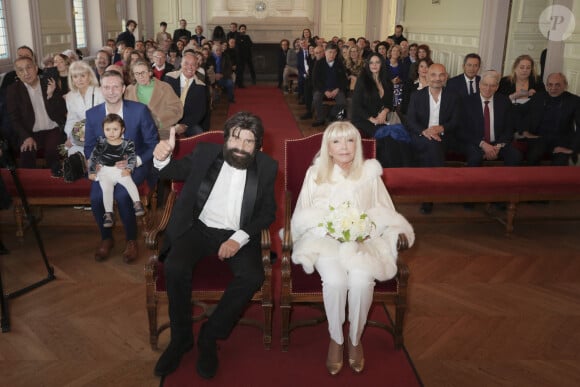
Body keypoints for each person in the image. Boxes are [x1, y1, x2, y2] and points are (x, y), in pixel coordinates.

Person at [152, 111, 278, 379]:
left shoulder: (267, 167)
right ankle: (181, 339)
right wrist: (161, 157)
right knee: (174, 266)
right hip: (198, 228)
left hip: (236, 233)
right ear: (225, 139)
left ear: (259, 146)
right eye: (235, 139)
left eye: (248, 141)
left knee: (253, 275)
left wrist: (239, 238)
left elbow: (267, 212)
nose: (241, 147)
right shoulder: (205, 153)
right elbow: (172, 171)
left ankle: (210, 336)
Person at [290, 121, 414, 375]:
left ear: (357, 145)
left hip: (364, 242)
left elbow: (384, 211)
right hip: (325, 241)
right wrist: (328, 230)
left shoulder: (369, 174)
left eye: (350, 140)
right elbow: (302, 214)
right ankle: (337, 338)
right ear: (328, 147)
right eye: (336, 141)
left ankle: (355, 339)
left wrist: (364, 230)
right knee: (335, 282)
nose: (344, 147)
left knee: (360, 282)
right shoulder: (315, 174)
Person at [84, 70, 158, 263]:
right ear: (101, 89)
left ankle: (131, 239)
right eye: (106, 87)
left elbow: (153, 144)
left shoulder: (139, 110)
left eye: (116, 86)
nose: (111, 91)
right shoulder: (92, 115)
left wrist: (134, 162)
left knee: (123, 195)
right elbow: (90, 146)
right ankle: (106, 238)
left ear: (124, 88)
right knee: (96, 197)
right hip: (106, 167)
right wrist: (95, 163)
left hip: (137, 162)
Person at [406, 63, 461, 214]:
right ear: (427, 76)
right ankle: (437, 186)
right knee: (432, 146)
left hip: (445, 137)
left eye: (441, 75)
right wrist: (425, 131)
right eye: (433, 75)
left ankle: (429, 195)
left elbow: (456, 121)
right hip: (421, 136)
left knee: (433, 146)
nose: (437, 78)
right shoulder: (417, 96)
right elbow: (410, 121)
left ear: (446, 77)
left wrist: (441, 128)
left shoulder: (453, 97)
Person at [6, 56, 67, 176]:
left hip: (52, 129)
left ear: (35, 68)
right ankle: (30, 187)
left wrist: (50, 95)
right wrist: (26, 137)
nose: (26, 73)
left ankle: (55, 181)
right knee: (26, 152)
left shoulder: (49, 83)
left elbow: (61, 112)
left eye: (29, 68)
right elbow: (14, 118)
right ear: (17, 74)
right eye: (21, 70)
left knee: (51, 151)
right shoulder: (13, 90)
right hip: (30, 131)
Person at [352, 53, 412, 168]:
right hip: (363, 119)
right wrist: (372, 119)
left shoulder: (386, 81)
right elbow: (356, 106)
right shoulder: (362, 81)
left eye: (377, 62)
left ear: (382, 64)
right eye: (371, 62)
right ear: (368, 65)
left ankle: (402, 170)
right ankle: (386, 169)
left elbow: (389, 103)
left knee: (399, 138)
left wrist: (384, 112)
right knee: (387, 139)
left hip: (382, 118)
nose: (374, 65)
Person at [88, 114, 145, 228]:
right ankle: (108, 213)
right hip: (105, 171)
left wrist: (129, 168)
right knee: (106, 190)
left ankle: (137, 203)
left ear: (122, 130)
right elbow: (93, 158)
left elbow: (132, 157)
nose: (111, 132)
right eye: (107, 129)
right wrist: (92, 171)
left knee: (129, 182)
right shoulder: (101, 143)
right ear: (103, 130)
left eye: (115, 129)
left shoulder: (127, 143)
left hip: (119, 169)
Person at [457, 70, 521, 167]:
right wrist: (482, 144)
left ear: (497, 87)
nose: (488, 89)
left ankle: (507, 182)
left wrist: (498, 146)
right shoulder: (466, 102)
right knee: (475, 157)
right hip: (475, 143)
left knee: (515, 156)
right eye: (485, 84)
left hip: (498, 143)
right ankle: (472, 182)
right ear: (479, 84)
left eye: (492, 85)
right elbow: (461, 130)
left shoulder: (504, 102)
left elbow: (509, 128)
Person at [521, 72, 580, 165]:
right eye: (550, 85)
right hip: (540, 138)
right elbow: (522, 112)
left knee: (559, 164)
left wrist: (572, 149)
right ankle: (532, 180)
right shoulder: (538, 97)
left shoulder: (574, 101)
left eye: (558, 85)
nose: (553, 88)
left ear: (565, 85)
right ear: (546, 85)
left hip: (562, 140)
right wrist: (524, 131)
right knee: (532, 157)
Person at [124, 58, 183, 139]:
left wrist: (159, 121)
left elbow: (177, 109)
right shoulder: (129, 90)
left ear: (150, 72)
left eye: (143, 72)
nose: (140, 76)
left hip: (161, 133)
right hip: (137, 134)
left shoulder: (164, 87)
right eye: (137, 73)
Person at [63, 61, 105, 156]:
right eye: (75, 76)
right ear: (72, 79)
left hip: (99, 135)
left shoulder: (99, 92)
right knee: (73, 154)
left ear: (89, 76)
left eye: (83, 75)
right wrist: (71, 137)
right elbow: (71, 120)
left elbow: (104, 118)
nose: (79, 80)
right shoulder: (70, 96)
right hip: (79, 137)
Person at [162, 52, 209, 135]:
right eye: (186, 63)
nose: (190, 67)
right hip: (168, 119)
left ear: (197, 67)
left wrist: (185, 125)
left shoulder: (201, 86)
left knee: (199, 134)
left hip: (188, 122)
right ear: (181, 64)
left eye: (193, 64)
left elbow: (200, 111)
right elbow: (162, 102)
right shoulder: (169, 78)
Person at [498, 54, 545, 134]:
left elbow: (543, 100)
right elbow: (498, 102)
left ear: (531, 70)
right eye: (522, 67)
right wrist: (514, 96)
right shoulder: (505, 81)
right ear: (515, 68)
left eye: (528, 68)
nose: (525, 70)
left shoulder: (537, 81)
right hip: (509, 117)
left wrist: (535, 96)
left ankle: (524, 133)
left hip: (530, 119)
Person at [311, 43, 348, 127]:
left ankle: (331, 115)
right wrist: (325, 90)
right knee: (316, 99)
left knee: (342, 102)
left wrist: (338, 89)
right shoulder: (319, 63)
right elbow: (315, 80)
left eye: (334, 52)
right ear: (325, 52)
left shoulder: (339, 63)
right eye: (330, 52)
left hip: (336, 89)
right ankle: (320, 119)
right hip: (322, 89)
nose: (332, 54)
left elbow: (344, 79)